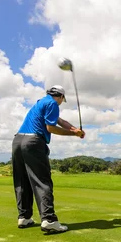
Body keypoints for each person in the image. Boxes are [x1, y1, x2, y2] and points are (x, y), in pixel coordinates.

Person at [12, 85, 85, 233]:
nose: (60, 103)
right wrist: (73, 134)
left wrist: (75, 129)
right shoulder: (52, 103)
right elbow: (50, 128)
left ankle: (24, 217)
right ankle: (49, 220)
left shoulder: (41, 102)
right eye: (62, 100)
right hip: (33, 143)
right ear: (61, 97)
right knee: (42, 181)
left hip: (18, 141)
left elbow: (60, 121)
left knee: (23, 180)